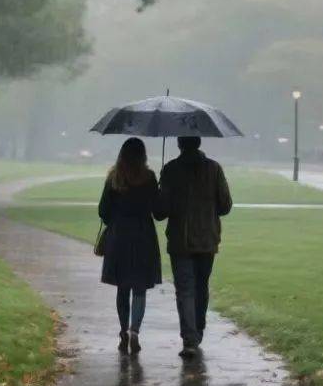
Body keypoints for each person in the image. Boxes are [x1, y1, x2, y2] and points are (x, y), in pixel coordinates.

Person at [155, 136, 232, 358]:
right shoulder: (214, 169)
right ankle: (197, 330)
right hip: (207, 239)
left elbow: (160, 213)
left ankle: (190, 339)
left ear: (179, 144)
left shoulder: (171, 170)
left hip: (180, 241)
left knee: (185, 289)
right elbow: (225, 205)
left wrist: (161, 191)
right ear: (199, 143)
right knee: (201, 286)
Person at [98, 138, 162, 355]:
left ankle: (123, 330)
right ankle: (135, 331)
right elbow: (158, 211)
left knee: (122, 287)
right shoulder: (149, 177)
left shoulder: (115, 177)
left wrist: (116, 218)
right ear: (143, 155)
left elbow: (103, 212)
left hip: (120, 237)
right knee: (140, 287)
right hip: (143, 236)